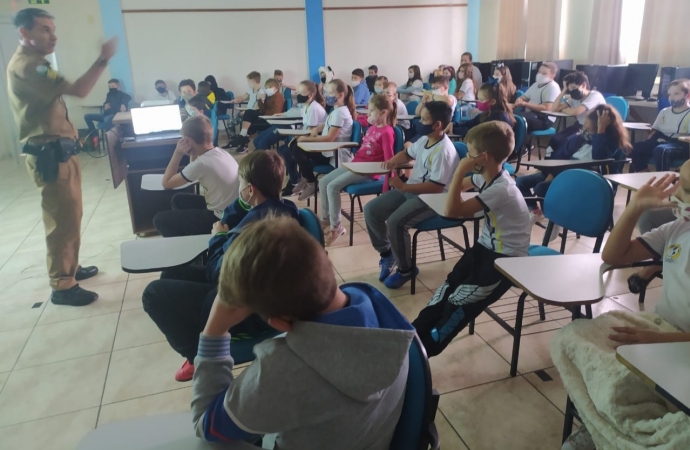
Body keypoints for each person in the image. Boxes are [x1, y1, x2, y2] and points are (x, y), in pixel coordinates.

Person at [191, 216, 414, 448]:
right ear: (326, 261)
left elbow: (206, 424)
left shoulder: (282, 374)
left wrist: (214, 330)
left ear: (279, 323)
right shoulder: (386, 315)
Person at [553, 166, 690, 450]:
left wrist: (663, 342)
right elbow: (614, 255)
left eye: (685, 189)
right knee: (569, 337)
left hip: (679, 345)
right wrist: (634, 208)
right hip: (663, 332)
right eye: (679, 182)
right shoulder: (679, 229)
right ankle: (614, 426)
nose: (676, 193)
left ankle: (621, 433)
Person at [143, 150, 298, 382]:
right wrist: (240, 209)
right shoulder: (283, 209)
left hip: (245, 309)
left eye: (242, 184)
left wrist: (218, 238)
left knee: (153, 294)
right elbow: (231, 216)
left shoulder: (253, 230)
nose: (240, 187)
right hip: (252, 288)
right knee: (172, 272)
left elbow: (219, 273)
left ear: (251, 189)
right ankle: (196, 333)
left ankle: (199, 356)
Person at [7, 8, 116, 306]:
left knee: (71, 215)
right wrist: (103, 58)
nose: (53, 35)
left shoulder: (38, 63)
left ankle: (70, 267)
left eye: (53, 29)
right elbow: (80, 89)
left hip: (60, 152)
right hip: (49, 155)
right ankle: (62, 284)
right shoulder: (30, 67)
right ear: (24, 33)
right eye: (44, 29)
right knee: (60, 221)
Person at [412, 121, 530, 355]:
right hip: (485, 248)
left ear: (483, 158)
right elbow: (460, 190)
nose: (466, 156)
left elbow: (452, 211)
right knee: (445, 291)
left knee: (459, 304)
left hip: (505, 259)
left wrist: (458, 171)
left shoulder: (501, 189)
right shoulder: (489, 177)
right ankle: (412, 335)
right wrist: (461, 179)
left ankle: (425, 351)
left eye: (470, 153)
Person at [364, 101, 460, 289]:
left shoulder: (444, 151)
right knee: (371, 210)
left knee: (395, 222)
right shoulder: (425, 139)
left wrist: (404, 187)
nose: (419, 122)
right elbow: (407, 154)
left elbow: (435, 187)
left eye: (424, 119)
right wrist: (392, 161)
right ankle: (387, 254)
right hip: (413, 189)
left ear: (437, 125)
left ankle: (406, 269)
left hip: (434, 199)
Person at [517, 105, 631, 231]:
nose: (585, 129)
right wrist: (552, 174)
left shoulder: (612, 143)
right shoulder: (582, 137)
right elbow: (561, 155)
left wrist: (601, 131)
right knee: (521, 182)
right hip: (563, 172)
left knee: (542, 188)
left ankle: (554, 220)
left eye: (589, 127)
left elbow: (600, 156)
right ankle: (536, 211)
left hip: (584, 180)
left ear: (602, 127)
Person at [319, 94, 397, 246]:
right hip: (356, 165)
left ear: (383, 113)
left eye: (372, 111)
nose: (368, 114)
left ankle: (336, 227)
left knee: (333, 186)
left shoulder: (387, 132)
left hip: (368, 171)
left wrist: (388, 183)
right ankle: (326, 219)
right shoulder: (372, 128)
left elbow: (390, 161)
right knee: (323, 182)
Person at [152, 115, 240, 237]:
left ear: (188, 140)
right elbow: (192, 169)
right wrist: (191, 153)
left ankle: (190, 246)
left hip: (221, 219)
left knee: (160, 220)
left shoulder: (202, 163)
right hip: (232, 211)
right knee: (178, 200)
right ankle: (190, 234)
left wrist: (177, 153)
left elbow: (166, 183)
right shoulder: (220, 152)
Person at [290, 79, 355, 200]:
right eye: (326, 92)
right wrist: (318, 128)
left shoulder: (340, 113)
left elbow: (330, 138)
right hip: (329, 150)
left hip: (335, 155)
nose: (326, 95)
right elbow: (328, 125)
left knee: (298, 149)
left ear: (341, 95)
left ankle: (311, 181)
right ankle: (307, 178)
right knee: (295, 145)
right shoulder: (336, 111)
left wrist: (306, 139)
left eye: (330, 93)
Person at [274, 80, 328, 196]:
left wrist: (296, 137)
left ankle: (307, 180)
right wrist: (296, 137)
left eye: (301, 92)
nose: (298, 95)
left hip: (319, 143)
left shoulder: (314, 108)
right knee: (284, 150)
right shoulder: (305, 106)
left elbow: (310, 130)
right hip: (311, 140)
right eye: (298, 91)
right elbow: (305, 128)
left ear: (311, 95)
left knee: (290, 151)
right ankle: (301, 178)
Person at [628, 78, 690, 172]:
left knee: (661, 150)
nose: (672, 98)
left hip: (681, 144)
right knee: (632, 148)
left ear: (687, 95)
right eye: (669, 94)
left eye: (676, 94)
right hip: (662, 139)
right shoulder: (664, 112)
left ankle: (662, 179)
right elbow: (655, 130)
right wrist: (649, 143)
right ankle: (644, 173)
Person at [550, 71, 606, 150]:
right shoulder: (574, 99)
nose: (571, 91)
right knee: (555, 139)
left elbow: (576, 111)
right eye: (569, 89)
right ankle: (553, 160)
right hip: (579, 126)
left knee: (566, 142)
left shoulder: (595, 95)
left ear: (583, 85)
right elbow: (554, 109)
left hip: (593, 129)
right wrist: (564, 90)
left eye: (573, 88)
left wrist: (564, 110)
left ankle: (563, 161)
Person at [229, 78, 285, 154]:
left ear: (274, 88)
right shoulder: (270, 96)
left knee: (251, 122)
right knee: (249, 112)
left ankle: (242, 140)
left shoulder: (278, 97)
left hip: (271, 120)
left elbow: (274, 112)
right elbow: (263, 108)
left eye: (268, 88)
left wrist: (262, 114)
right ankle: (242, 138)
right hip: (266, 116)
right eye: (265, 87)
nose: (266, 89)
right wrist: (259, 100)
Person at [514, 62, 560, 132]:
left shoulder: (553, 87)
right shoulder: (536, 84)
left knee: (515, 119)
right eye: (539, 72)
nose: (540, 74)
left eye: (544, 73)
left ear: (552, 76)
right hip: (530, 114)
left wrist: (525, 104)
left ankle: (517, 142)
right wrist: (519, 100)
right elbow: (524, 97)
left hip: (544, 119)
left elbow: (546, 108)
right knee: (509, 116)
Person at [411, 76, 457, 142]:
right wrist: (423, 102)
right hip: (428, 128)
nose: (434, 90)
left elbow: (448, 101)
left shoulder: (451, 97)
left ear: (446, 88)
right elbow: (417, 113)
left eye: (436, 88)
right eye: (432, 89)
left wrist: (431, 96)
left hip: (440, 130)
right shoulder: (433, 99)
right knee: (408, 144)